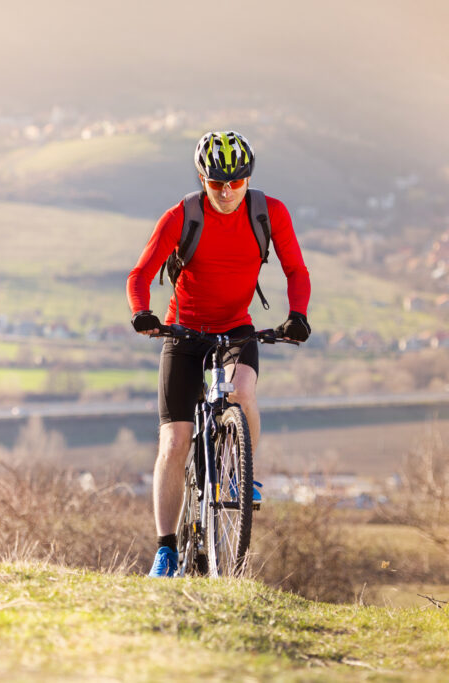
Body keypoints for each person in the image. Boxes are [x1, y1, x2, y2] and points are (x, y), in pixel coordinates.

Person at [126, 130, 312, 577]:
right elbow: (139, 274)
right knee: (173, 442)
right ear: (202, 179)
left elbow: (295, 269)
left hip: (235, 328)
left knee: (242, 390)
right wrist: (142, 313)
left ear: (248, 178)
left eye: (235, 181)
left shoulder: (270, 214)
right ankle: (166, 549)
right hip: (184, 332)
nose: (227, 192)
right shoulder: (183, 216)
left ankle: (238, 475)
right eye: (216, 183)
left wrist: (298, 315)